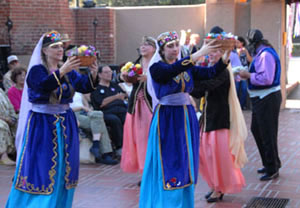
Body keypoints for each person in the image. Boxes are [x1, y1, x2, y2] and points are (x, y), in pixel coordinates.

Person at [6, 30, 98, 208]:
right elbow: (43, 87)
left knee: (64, 167)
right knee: (42, 166)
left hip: (65, 122)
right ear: (45, 51)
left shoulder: (69, 70)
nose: (60, 50)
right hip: (43, 124)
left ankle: (59, 204)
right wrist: (62, 71)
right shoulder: (36, 70)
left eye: (61, 47)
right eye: (54, 47)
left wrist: (93, 74)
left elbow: (83, 86)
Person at [139, 31, 230, 207]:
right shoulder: (156, 68)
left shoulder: (185, 65)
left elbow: (210, 72)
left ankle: (183, 202)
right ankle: (165, 202)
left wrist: (224, 59)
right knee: (170, 160)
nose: (174, 49)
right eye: (170, 46)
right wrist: (197, 55)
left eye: (176, 45)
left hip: (185, 116)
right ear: (162, 50)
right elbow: (172, 71)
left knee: (186, 159)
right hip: (167, 118)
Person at [191, 48, 248, 203]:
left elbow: (208, 86)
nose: (212, 54)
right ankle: (214, 184)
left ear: (223, 54)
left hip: (218, 119)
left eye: (216, 51)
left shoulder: (223, 71)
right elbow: (199, 93)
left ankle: (219, 188)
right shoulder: (210, 70)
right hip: (207, 118)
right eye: (211, 50)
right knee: (205, 155)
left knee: (217, 156)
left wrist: (188, 82)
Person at [239, 29, 282, 181]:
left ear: (255, 43)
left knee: (267, 133)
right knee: (258, 130)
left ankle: (272, 169)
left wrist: (248, 75)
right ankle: (271, 163)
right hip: (261, 98)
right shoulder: (261, 53)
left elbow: (267, 79)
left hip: (267, 98)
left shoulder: (265, 54)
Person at [121, 36, 155, 175]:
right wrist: (125, 77)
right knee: (136, 138)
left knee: (147, 137)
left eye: (147, 44)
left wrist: (149, 79)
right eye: (142, 44)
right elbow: (128, 81)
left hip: (150, 105)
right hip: (135, 106)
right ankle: (143, 169)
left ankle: (151, 169)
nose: (143, 47)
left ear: (154, 48)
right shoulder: (135, 64)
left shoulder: (157, 64)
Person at [70, 92, 118, 165]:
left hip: (85, 113)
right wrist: (81, 107)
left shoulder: (79, 93)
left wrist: (88, 108)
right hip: (74, 115)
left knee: (98, 115)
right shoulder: (64, 91)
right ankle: (105, 154)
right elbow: (64, 108)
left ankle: (96, 146)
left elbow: (87, 105)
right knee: (100, 122)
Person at [90, 65, 127, 156]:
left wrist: (114, 98)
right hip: (106, 112)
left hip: (121, 109)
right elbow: (101, 103)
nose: (109, 74)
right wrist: (116, 97)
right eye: (106, 72)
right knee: (114, 120)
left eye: (110, 72)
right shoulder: (96, 88)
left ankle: (130, 146)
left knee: (128, 118)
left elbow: (124, 95)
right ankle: (119, 147)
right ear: (99, 75)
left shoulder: (115, 85)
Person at [0, 88, 18, 164]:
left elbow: (10, 107)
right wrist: (4, 119)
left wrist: (12, 117)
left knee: (21, 121)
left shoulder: (0, 91)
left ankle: (20, 153)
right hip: (2, 119)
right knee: (2, 125)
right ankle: (3, 156)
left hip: (6, 117)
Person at [235, 36, 252, 110]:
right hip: (237, 72)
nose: (236, 44)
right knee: (237, 88)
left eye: (238, 42)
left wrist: (246, 52)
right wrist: (238, 53)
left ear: (242, 43)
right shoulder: (234, 51)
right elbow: (235, 61)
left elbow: (250, 60)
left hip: (245, 71)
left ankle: (242, 105)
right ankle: (236, 106)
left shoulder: (246, 50)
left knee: (244, 89)